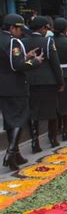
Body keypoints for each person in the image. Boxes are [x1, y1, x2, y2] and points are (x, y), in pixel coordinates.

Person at [0, 14, 43, 170]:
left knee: (10, 120)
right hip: (15, 86)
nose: (21, 33)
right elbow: (17, 65)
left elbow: (8, 61)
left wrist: (25, 56)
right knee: (19, 119)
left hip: (3, 87)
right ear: (12, 28)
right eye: (19, 29)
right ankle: (10, 154)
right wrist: (34, 61)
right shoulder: (12, 41)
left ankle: (16, 154)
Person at [23, 16, 64, 151]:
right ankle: (52, 139)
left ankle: (35, 142)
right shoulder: (47, 42)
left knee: (33, 111)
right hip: (48, 81)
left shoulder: (22, 42)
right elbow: (55, 64)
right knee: (52, 110)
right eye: (46, 28)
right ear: (41, 28)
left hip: (30, 81)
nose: (47, 31)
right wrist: (60, 81)